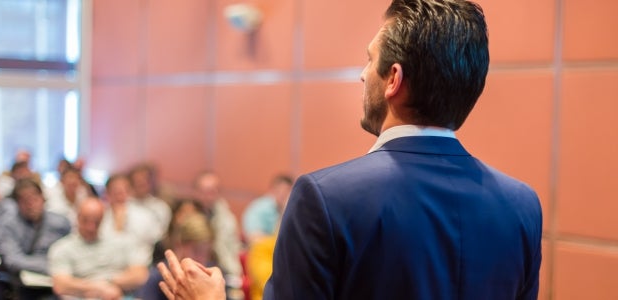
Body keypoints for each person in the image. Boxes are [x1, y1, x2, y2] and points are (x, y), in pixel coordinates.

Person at [157, 0, 543, 299]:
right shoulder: (522, 205)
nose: (362, 73)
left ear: (393, 79)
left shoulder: (325, 199)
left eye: (369, 59)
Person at [47, 197, 149, 299]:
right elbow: (61, 285)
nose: (90, 227)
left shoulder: (119, 242)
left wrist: (109, 282)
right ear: (77, 218)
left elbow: (140, 275)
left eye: (96, 222)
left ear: (102, 219)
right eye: (85, 220)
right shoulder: (62, 248)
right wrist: (97, 288)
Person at [0, 178, 71, 299]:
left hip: (58, 284)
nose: (31, 205)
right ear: (18, 204)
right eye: (25, 201)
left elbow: (72, 251)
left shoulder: (60, 223)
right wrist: (50, 267)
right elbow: (13, 260)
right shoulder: (8, 225)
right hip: (23, 284)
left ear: (42, 198)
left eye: (34, 199)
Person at [192, 171, 243, 278]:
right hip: (194, 268)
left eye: (214, 191)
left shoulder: (227, 217)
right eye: (206, 191)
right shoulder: (188, 214)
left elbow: (234, 249)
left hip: (224, 269)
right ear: (196, 192)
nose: (210, 196)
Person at [241, 174, 293, 245]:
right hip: (259, 251)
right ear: (273, 190)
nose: (283, 194)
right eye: (280, 191)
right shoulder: (259, 208)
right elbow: (254, 238)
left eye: (287, 191)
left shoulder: (287, 208)